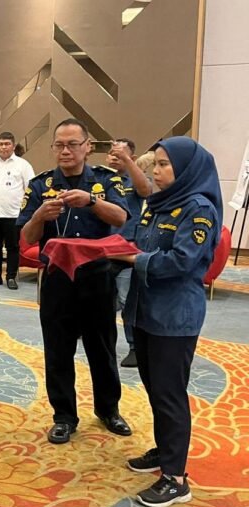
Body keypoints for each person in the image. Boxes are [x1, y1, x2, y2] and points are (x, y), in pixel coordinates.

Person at [108, 137, 221, 507]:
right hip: (145, 311)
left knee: (170, 393)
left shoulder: (198, 208)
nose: (155, 171)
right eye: (154, 164)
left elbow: (183, 261)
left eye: (163, 164)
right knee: (155, 389)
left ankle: (176, 479)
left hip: (174, 316)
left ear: (185, 168)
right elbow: (137, 242)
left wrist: (134, 260)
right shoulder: (158, 204)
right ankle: (165, 450)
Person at [17, 118, 132, 445]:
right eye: (59, 145)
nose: (65, 151)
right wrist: (40, 216)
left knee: (102, 347)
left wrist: (91, 202)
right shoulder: (39, 185)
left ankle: (109, 410)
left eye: (72, 144)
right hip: (57, 280)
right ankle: (64, 416)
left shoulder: (106, 180)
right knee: (58, 350)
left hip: (97, 277)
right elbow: (27, 237)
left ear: (87, 147)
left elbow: (122, 217)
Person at [106, 138, 152, 368]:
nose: (115, 158)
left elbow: (146, 190)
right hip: (103, 249)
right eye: (112, 154)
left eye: (121, 154)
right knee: (100, 297)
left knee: (127, 300)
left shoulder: (134, 179)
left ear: (132, 157)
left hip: (126, 249)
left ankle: (134, 346)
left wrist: (128, 162)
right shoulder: (102, 180)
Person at [0, 131, 35, 289]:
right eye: (1, 144)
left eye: (7, 144)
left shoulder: (23, 165)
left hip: (13, 214)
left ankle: (11, 277)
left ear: (13, 146)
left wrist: (26, 212)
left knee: (13, 247)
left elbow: (30, 188)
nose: (4, 147)